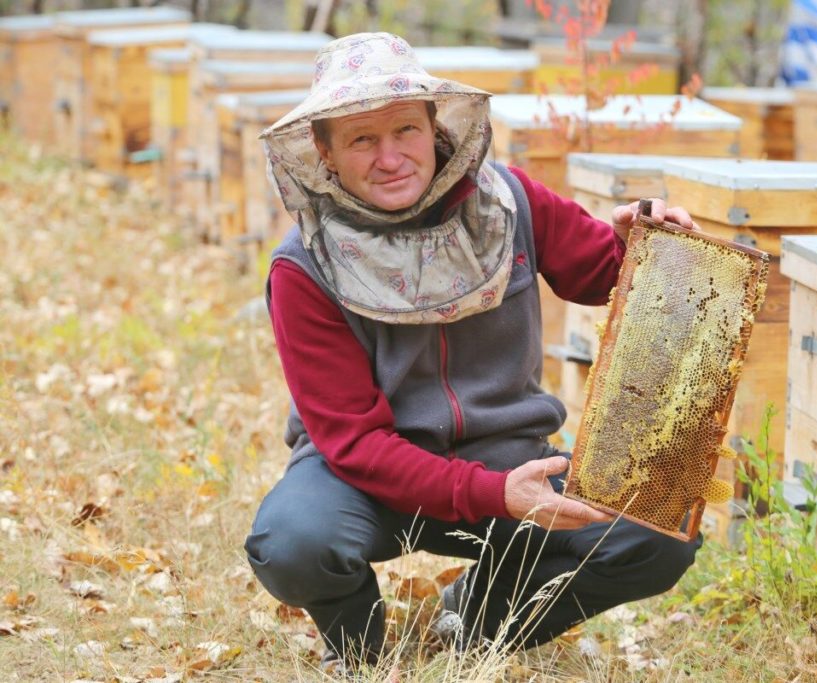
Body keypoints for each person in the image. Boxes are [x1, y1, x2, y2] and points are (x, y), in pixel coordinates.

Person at [245, 31, 703, 669]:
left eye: (404, 129)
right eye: (361, 139)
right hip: (365, 481)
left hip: (509, 455)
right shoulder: (303, 268)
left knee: (659, 529)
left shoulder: (509, 202)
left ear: (433, 126)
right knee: (293, 541)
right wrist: (494, 495)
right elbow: (354, 441)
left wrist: (642, 246)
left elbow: (600, 273)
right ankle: (356, 645)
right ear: (324, 154)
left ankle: (478, 618)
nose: (390, 156)